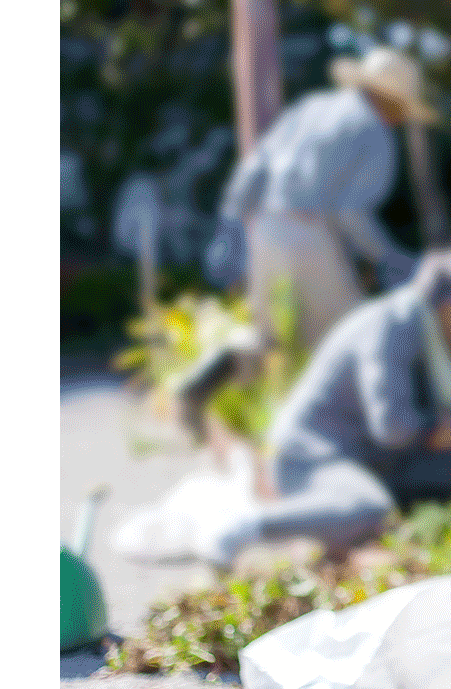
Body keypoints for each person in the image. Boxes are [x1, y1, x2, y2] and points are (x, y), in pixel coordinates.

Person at [190, 246, 451, 573]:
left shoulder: (437, 339)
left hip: (373, 459)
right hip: (312, 456)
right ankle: (241, 527)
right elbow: (393, 428)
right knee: (368, 508)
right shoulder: (392, 325)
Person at [184, 47, 434, 443]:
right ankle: (348, 439)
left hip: (266, 226)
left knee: (268, 334)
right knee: (349, 334)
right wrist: (392, 258)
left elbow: (253, 169)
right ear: (391, 100)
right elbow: (350, 213)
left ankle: (205, 379)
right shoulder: (372, 131)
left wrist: (232, 228)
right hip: (312, 233)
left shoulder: (311, 108)